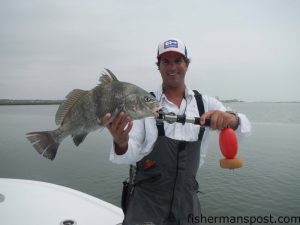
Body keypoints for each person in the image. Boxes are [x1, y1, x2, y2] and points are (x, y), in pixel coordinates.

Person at [102, 38, 251, 225]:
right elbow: (126, 155)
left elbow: (244, 128)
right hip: (146, 203)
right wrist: (121, 142)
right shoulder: (142, 104)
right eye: (166, 61)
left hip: (187, 203)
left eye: (178, 61)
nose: (172, 67)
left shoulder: (205, 103)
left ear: (187, 65)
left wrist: (231, 119)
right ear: (159, 66)